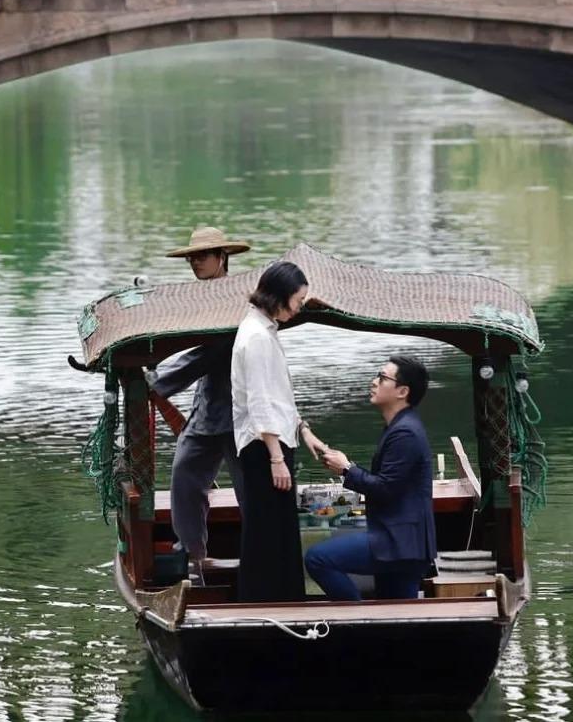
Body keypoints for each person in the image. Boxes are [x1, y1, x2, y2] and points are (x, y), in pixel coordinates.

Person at [148, 226, 250, 578]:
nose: (195, 263)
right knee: (185, 475)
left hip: (242, 412)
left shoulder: (239, 298)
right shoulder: (196, 298)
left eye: (202, 256)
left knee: (250, 489)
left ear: (222, 258)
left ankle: (263, 557)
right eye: (191, 257)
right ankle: (191, 557)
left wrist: (158, 382)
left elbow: (211, 352)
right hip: (206, 407)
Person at [231, 260, 327, 602]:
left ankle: (285, 601)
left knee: (280, 531)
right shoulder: (256, 336)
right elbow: (259, 402)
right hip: (263, 447)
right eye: (298, 300)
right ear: (281, 297)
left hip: (273, 442)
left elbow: (279, 394)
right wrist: (275, 457)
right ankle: (263, 605)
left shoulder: (264, 329)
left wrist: (303, 430)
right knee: (266, 532)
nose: (300, 307)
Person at [306, 355, 437, 601]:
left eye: (382, 377)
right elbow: (391, 482)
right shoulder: (400, 426)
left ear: (402, 391)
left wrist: (347, 470)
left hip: (399, 544)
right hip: (406, 543)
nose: (374, 381)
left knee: (317, 558)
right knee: (396, 617)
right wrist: (347, 467)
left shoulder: (405, 432)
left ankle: (357, 618)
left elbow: (386, 488)